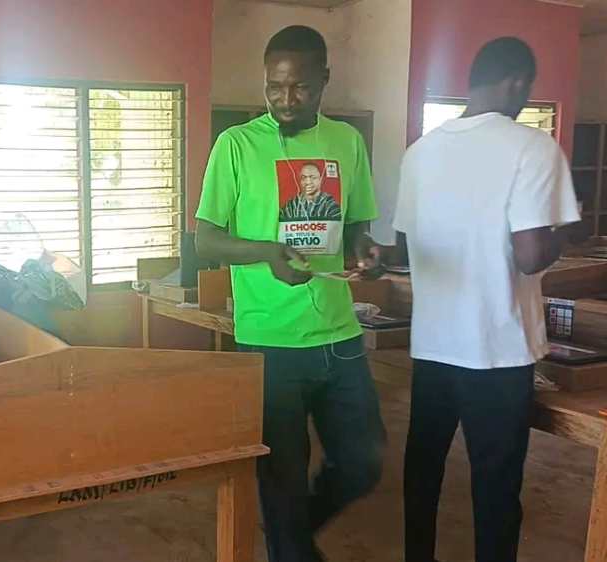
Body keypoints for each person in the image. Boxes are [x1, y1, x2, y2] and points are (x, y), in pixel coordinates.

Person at [195, 25, 385, 562]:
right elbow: (205, 239)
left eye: (299, 87)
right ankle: (291, 545)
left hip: (339, 334)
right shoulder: (237, 145)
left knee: (364, 461)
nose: (285, 99)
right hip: (269, 339)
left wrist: (364, 249)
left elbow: (356, 226)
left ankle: (292, 538)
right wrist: (267, 253)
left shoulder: (347, 142)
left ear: (324, 79)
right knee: (281, 475)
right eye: (274, 87)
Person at [388, 38, 579, 562]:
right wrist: (564, 232)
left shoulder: (420, 152)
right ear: (517, 83)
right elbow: (531, 255)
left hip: (432, 348)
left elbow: (405, 245)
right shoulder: (533, 148)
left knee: (423, 474)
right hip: (497, 353)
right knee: (495, 490)